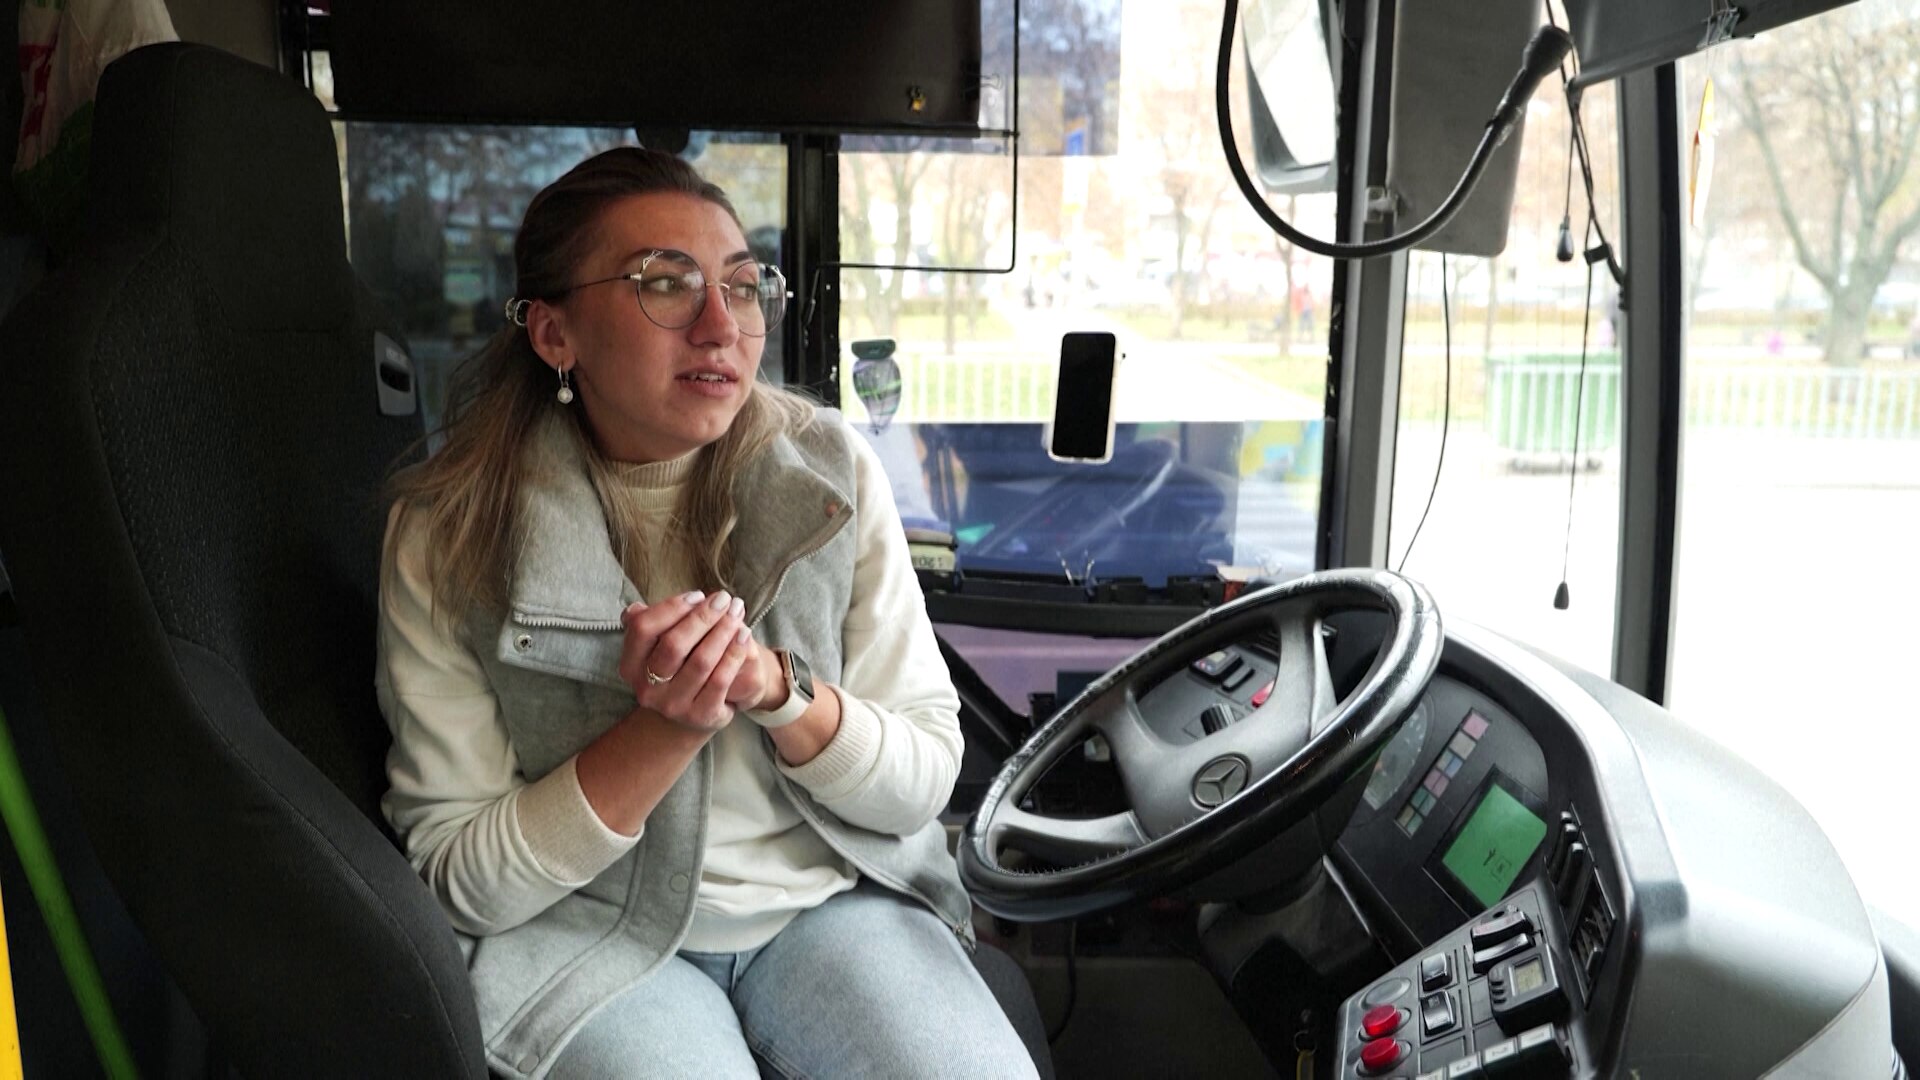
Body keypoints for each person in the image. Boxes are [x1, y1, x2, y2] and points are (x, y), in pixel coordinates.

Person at [375, 148, 1036, 1080]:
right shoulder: (447, 533)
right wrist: (663, 731)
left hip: (832, 906)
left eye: (742, 284)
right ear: (556, 334)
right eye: (664, 284)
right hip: (594, 929)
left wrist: (776, 690)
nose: (722, 325)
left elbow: (922, 778)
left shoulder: (831, 475)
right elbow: (460, 881)